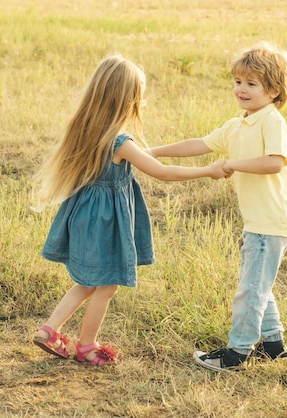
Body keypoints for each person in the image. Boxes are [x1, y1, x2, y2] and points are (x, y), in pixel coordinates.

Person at [32, 54, 228, 366]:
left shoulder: (87, 129)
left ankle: (49, 330)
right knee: (107, 285)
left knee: (87, 282)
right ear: (128, 99)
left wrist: (157, 149)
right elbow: (160, 172)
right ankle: (87, 345)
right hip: (105, 223)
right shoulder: (119, 140)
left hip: (83, 216)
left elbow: (140, 155)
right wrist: (207, 171)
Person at [149, 41, 287, 371]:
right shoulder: (238, 125)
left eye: (251, 84)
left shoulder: (272, 122)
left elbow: (275, 162)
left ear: (274, 90)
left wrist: (234, 163)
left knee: (251, 290)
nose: (241, 89)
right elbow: (200, 144)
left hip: (272, 221)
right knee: (259, 283)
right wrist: (155, 151)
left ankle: (236, 353)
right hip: (259, 221)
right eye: (237, 82)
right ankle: (274, 345)